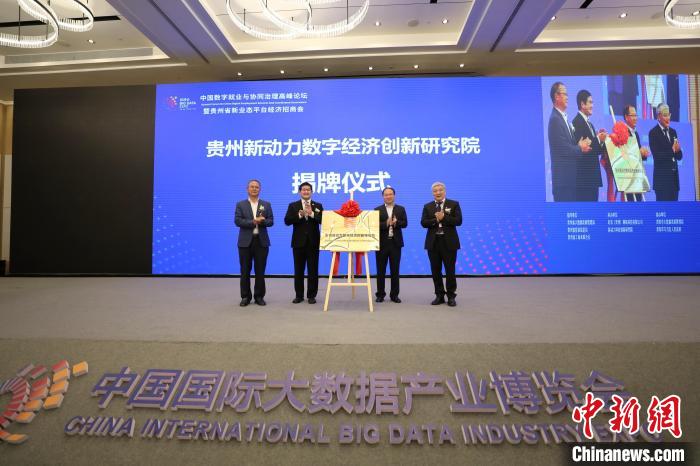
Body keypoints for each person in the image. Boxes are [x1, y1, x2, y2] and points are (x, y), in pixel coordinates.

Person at [547, 82, 592, 201]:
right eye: (565, 94)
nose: (567, 97)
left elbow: (568, 145)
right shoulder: (555, 119)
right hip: (563, 183)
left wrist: (579, 145)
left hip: (569, 181)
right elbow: (563, 149)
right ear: (556, 96)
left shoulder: (562, 118)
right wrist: (580, 148)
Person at [421, 182, 462, 307]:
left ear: (445, 191)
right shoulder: (427, 206)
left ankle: (451, 296)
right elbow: (423, 223)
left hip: (449, 243)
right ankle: (439, 295)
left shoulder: (454, 204)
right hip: (433, 243)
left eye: (440, 190)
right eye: (435, 191)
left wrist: (444, 217)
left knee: (450, 270)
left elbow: (458, 221)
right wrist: (436, 220)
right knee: (435, 270)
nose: (438, 193)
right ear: (432, 193)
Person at [234, 179, 273, 306]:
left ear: (260, 189)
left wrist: (262, 221)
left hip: (261, 242)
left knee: (260, 271)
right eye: (252, 187)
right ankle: (245, 297)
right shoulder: (240, 204)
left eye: (257, 187)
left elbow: (271, 221)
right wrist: (253, 222)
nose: (254, 189)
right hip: (245, 242)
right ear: (247, 189)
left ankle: (259, 296)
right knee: (245, 271)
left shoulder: (266, 204)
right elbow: (237, 221)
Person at [284, 182, 323, 304]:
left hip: (313, 243)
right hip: (298, 243)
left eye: (308, 190)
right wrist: (299, 215)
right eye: (303, 190)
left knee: (313, 270)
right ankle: (299, 295)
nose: (306, 192)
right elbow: (287, 221)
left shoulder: (318, 205)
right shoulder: (293, 205)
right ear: (299, 192)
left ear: (311, 192)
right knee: (298, 270)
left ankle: (311, 295)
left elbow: (323, 220)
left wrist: (312, 214)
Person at [572, 89, 607, 201]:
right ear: (582, 104)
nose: (593, 105)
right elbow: (584, 150)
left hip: (592, 179)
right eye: (590, 102)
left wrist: (602, 141)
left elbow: (596, 150)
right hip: (584, 180)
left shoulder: (590, 124)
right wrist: (598, 139)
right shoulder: (577, 122)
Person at [374, 187, 407, 303]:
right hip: (382, 244)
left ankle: (394, 295)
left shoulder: (401, 209)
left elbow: (405, 223)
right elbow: (374, 225)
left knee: (395, 270)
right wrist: (386, 223)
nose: (388, 196)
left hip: (395, 243)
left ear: (394, 195)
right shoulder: (377, 210)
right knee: (380, 270)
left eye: (390, 194)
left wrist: (396, 223)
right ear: (383, 196)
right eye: (386, 194)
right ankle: (380, 294)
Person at [648, 103, 683, 201]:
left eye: (669, 115)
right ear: (659, 116)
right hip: (662, 183)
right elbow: (657, 157)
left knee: (674, 209)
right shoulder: (653, 133)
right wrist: (672, 150)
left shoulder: (673, 132)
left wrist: (678, 150)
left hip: (674, 182)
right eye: (665, 115)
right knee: (663, 209)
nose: (668, 118)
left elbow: (679, 156)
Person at [622, 105, 650, 201]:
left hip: (637, 176)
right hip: (628, 176)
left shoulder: (635, 133)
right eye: (632, 115)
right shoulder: (622, 132)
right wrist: (639, 152)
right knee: (630, 204)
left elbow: (638, 154)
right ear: (626, 117)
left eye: (636, 115)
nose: (635, 118)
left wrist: (644, 154)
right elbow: (624, 154)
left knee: (638, 203)